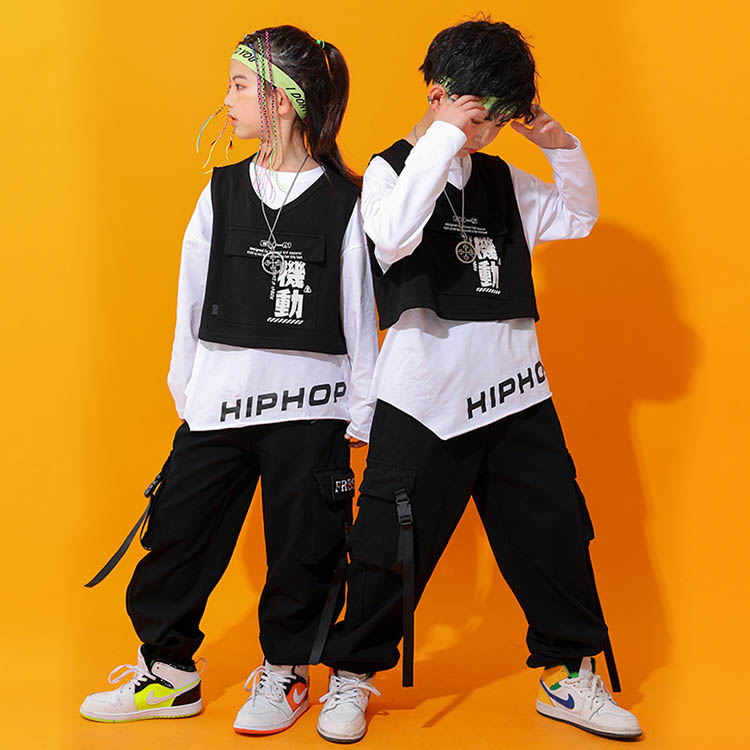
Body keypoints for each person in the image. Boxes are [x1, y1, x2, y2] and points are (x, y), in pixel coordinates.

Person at [315, 18, 642, 743]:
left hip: (515, 391)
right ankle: (352, 676)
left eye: (499, 119)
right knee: (387, 545)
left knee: (554, 535)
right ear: (438, 95)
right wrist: (441, 137)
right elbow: (393, 234)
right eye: (479, 116)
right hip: (423, 398)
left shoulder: (503, 179)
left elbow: (579, 217)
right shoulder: (391, 170)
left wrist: (558, 143)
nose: (487, 133)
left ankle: (567, 674)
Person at [79, 25, 378, 737]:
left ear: (283, 100)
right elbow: (189, 303)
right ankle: (169, 672)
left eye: (240, 85)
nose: (228, 99)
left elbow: (360, 313)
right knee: (178, 537)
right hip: (220, 407)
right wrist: (190, 394)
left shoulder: (347, 201)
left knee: (305, 548)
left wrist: (360, 411)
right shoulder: (220, 192)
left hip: (311, 410)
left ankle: (287, 673)